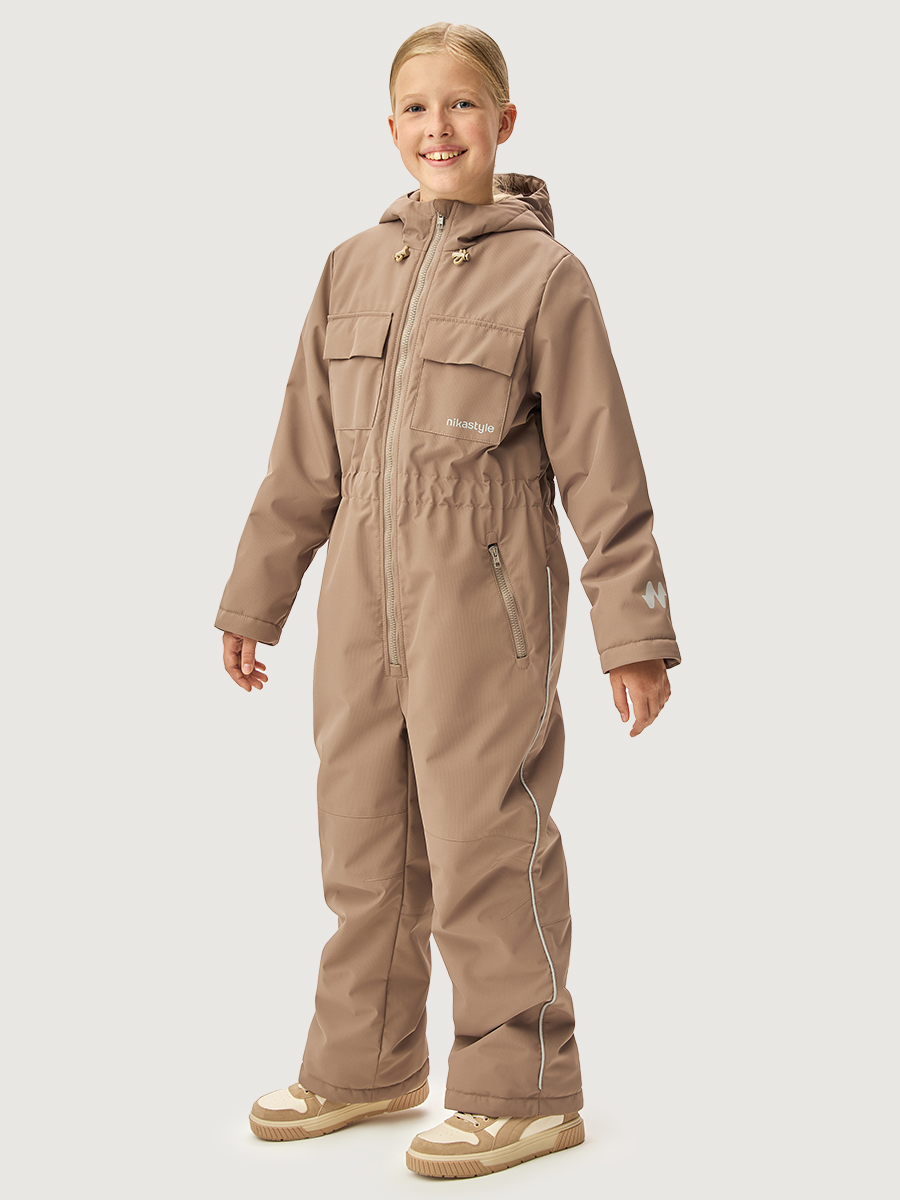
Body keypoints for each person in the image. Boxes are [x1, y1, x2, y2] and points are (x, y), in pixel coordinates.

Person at [214, 21, 681, 1180]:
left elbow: (603, 467)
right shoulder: (349, 269)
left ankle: (523, 1087)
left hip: (487, 596)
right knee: (363, 830)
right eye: (418, 109)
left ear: (505, 122)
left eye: (463, 105)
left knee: (484, 834)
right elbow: (302, 460)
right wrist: (254, 599)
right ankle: (366, 1061)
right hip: (360, 602)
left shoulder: (548, 279)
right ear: (389, 130)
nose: (440, 127)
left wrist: (634, 630)